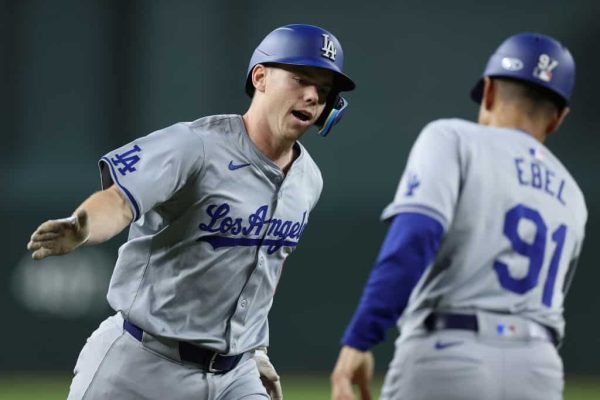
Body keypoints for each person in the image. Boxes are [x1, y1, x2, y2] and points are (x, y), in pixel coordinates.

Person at [26, 23, 355, 400]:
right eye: (301, 79)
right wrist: (83, 227)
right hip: (142, 364)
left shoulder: (309, 179)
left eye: (324, 90)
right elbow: (119, 201)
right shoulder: (195, 145)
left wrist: (255, 346)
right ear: (260, 77)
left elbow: (265, 266)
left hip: (236, 376)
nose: (313, 96)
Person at [330, 32, 586, 400]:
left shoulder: (452, 138)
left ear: (490, 91)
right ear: (558, 118)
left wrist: (360, 339)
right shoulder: (573, 194)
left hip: (449, 354)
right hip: (538, 368)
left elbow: (415, 238)